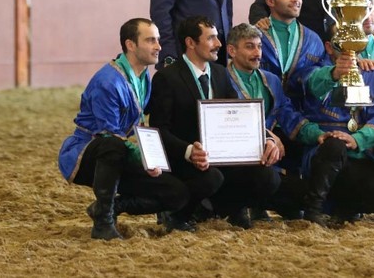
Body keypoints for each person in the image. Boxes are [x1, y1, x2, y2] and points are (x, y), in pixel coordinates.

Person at [57, 18, 194, 240]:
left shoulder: (144, 76)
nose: (159, 46)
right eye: (151, 40)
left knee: (177, 193)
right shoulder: (108, 82)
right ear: (131, 45)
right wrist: (144, 158)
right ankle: (103, 222)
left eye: (158, 40)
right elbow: (109, 134)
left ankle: (110, 206)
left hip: (122, 151)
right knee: (112, 145)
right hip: (88, 153)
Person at [274, 23, 374, 226]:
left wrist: (357, 139)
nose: (348, 51)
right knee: (334, 145)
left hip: (357, 155)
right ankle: (313, 209)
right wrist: (316, 133)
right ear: (329, 47)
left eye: (354, 43)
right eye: (341, 44)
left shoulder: (373, 77)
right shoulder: (309, 72)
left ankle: (345, 207)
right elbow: (304, 93)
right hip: (320, 153)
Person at [146, 16, 278, 230]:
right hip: (186, 162)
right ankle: (178, 215)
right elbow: (159, 130)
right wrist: (189, 151)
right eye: (211, 38)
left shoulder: (220, 73)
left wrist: (267, 139)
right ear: (191, 43)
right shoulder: (167, 77)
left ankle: (229, 208)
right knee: (211, 178)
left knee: (268, 177)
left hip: (222, 158)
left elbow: (240, 116)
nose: (219, 44)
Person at [225, 23, 306, 220]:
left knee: (301, 201)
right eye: (250, 46)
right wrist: (269, 136)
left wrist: (318, 134)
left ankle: (259, 204)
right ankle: (241, 205)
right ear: (232, 50)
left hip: (267, 156)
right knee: (267, 180)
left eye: (259, 46)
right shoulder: (220, 78)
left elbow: (286, 113)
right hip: (233, 158)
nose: (257, 52)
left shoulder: (271, 80)